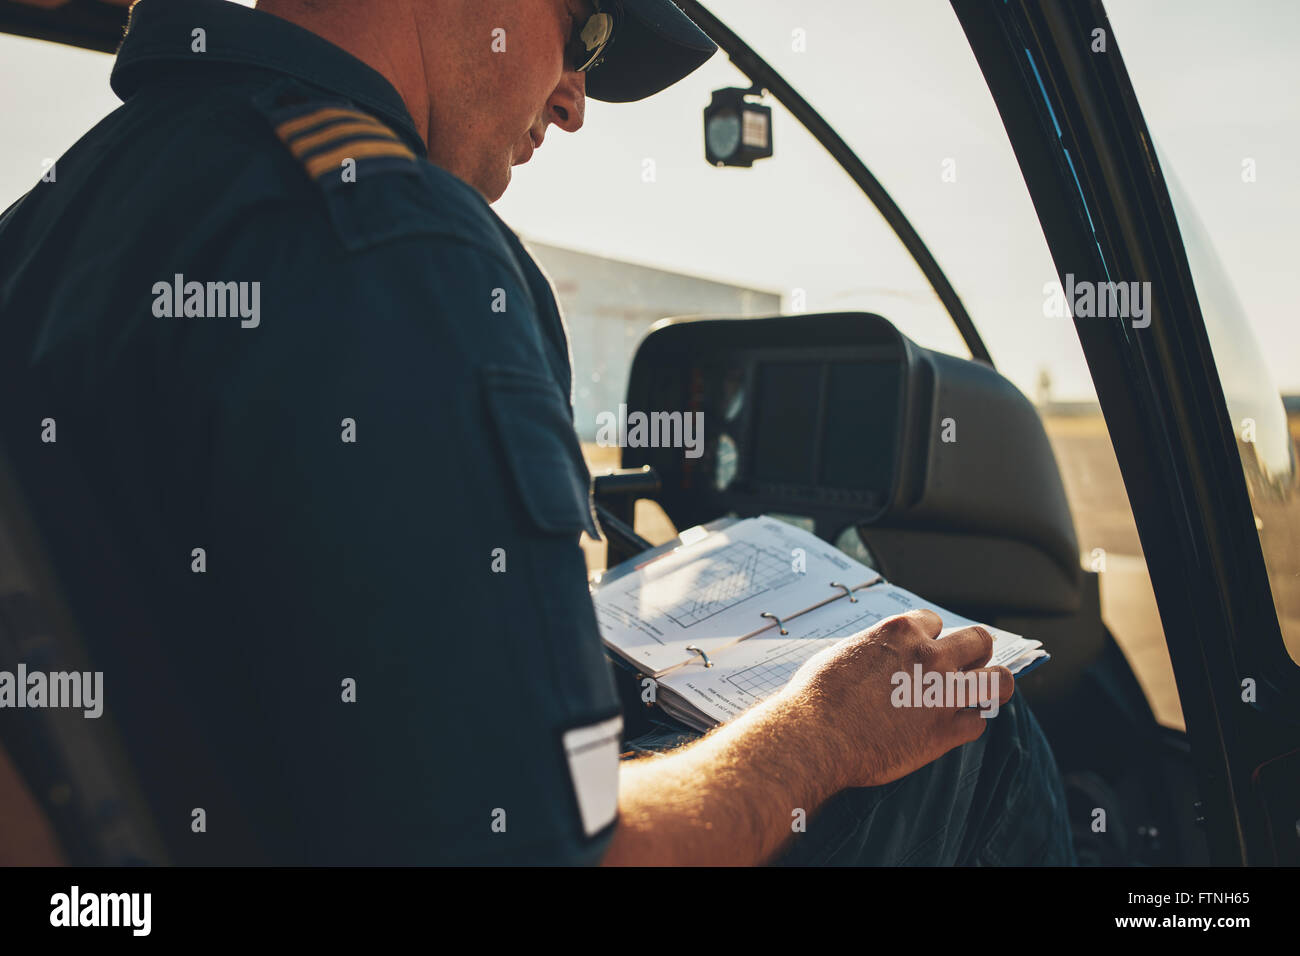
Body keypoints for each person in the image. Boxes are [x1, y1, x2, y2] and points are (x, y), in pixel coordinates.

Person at [0, 0, 1074, 865]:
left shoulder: (60, 216)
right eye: (587, 31)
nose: (573, 103)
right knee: (963, 731)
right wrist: (818, 730)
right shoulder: (395, 247)